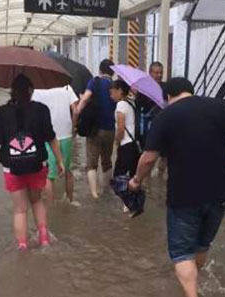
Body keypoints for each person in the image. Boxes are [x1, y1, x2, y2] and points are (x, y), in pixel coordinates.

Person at [128, 77, 225, 297]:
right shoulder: (218, 106)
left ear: (168, 96)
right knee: (202, 245)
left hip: (184, 193)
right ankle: (193, 282)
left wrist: (136, 181)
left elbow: (149, 158)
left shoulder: (166, 115)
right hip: (219, 191)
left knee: (182, 251)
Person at [0, 74, 64, 250]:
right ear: (31, 91)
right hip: (37, 165)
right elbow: (51, 137)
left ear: (12, 92)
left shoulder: (2, 112)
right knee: (37, 201)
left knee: (20, 209)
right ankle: (44, 240)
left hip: (12, 167)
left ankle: (22, 247)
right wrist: (59, 161)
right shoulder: (41, 109)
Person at [32, 83, 79, 205]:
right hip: (66, 134)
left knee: (49, 176)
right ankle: (70, 200)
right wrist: (73, 128)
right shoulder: (67, 88)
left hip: (48, 136)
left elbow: (34, 113)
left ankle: (51, 206)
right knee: (67, 171)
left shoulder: (38, 89)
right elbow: (75, 111)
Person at [76, 58, 116, 198]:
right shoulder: (114, 85)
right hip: (110, 129)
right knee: (107, 160)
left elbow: (86, 98)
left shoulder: (94, 82)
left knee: (91, 163)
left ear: (100, 70)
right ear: (113, 71)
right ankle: (107, 190)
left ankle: (94, 194)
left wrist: (77, 113)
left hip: (94, 128)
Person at [109, 79, 144, 216]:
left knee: (118, 177)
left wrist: (116, 141)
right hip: (134, 145)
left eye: (112, 91)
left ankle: (129, 204)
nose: (111, 94)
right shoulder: (131, 102)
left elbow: (121, 129)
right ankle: (135, 204)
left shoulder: (121, 105)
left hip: (126, 145)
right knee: (133, 175)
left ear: (120, 91)